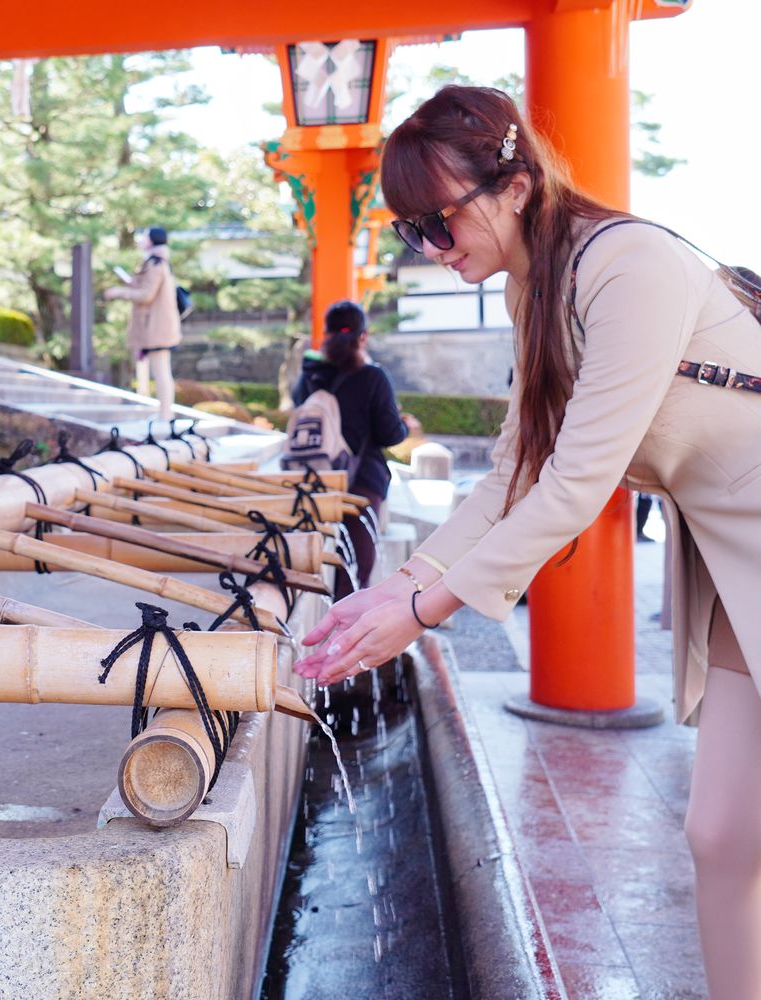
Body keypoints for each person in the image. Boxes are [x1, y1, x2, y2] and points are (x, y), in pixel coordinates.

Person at [293, 86, 761, 999]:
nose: (430, 248)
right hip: (736, 552)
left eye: (438, 221)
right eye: (409, 232)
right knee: (722, 834)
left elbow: (576, 483)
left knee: (733, 832)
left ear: (512, 186)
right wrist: (404, 584)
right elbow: (515, 465)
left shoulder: (629, 265)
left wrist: (427, 611)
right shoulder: (532, 286)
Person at [291, 300, 408, 595]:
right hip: (360, 484)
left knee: (316, 565)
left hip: (313, 481)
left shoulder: (309, 375)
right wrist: (405, 423)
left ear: (326, 333)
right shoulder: (372, 376)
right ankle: (343, 638)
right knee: (354, 574)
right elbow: (390, 434)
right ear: (363, 336)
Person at [104, 226, 181, 419]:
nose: (140, 240)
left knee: (161, 371)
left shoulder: (156, 264)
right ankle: (164, 413)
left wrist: (119, 292)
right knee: (161, 371)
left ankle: (165, 415)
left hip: (156, 326)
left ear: (152, 240)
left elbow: (147, 295)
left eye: (144, 237)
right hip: (157, 325)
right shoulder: (157, 263)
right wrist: (131, 284)